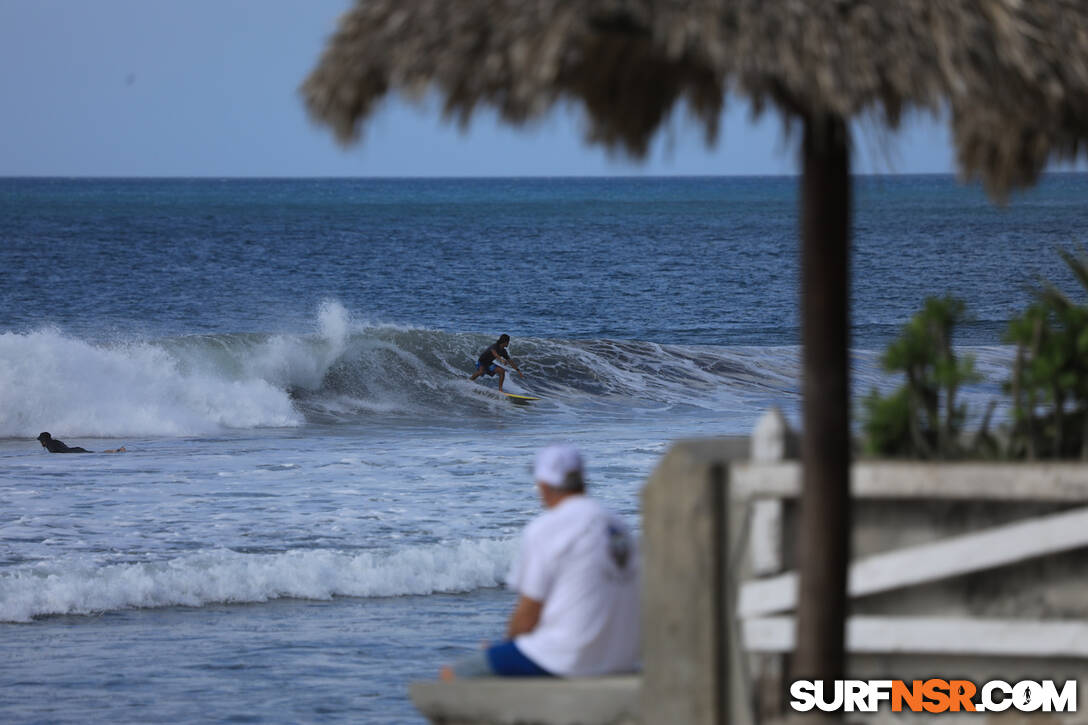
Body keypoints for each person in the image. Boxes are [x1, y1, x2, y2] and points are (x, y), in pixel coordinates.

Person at [442, 444, 640, 679]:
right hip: (622, 656)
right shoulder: (617, 525)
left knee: (452, 675)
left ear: (544, 485)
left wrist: (506, 650)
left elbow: (527, 617)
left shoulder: (548, 527)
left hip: (572, 658)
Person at [37, 432, 125, 454]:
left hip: (74, 452)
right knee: (96, 453)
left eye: (41, 440)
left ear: (44, 440)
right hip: (75, 449)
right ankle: (117, 450)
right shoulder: (56, 441)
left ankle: (117, 451)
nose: (40, 442)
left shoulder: (49, 445)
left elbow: (58, 453)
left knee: (97, 453)